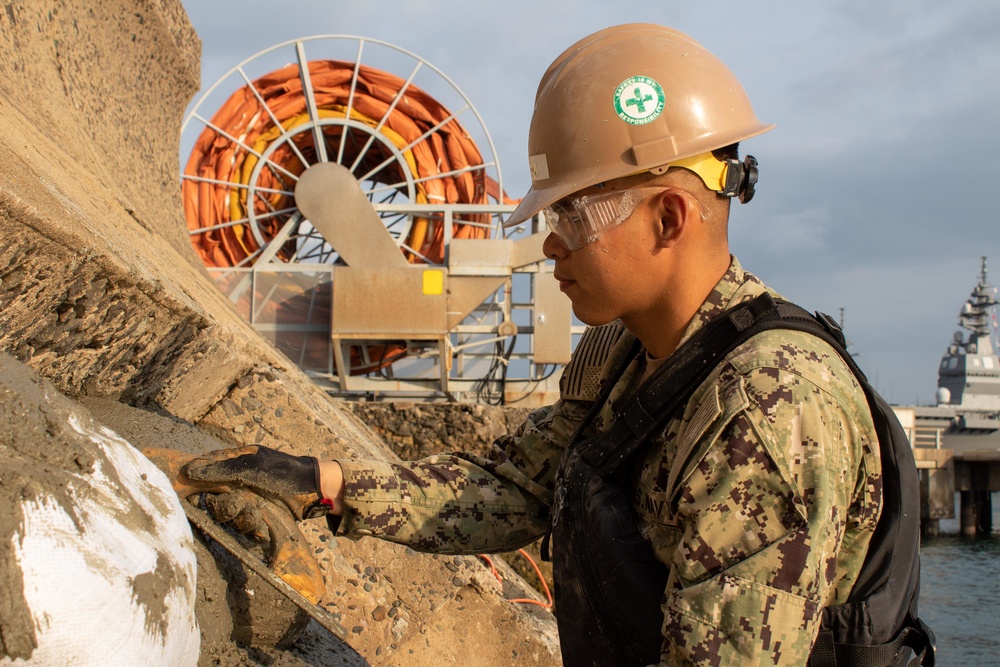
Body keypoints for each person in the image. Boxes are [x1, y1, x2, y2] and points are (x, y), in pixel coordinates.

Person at [180, 23, 911, 666]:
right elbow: (515, 489)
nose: (550, 244)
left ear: (668, 218)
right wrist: (329, 483)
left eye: (574, 215)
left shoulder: (767, 408)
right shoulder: (621, 355)